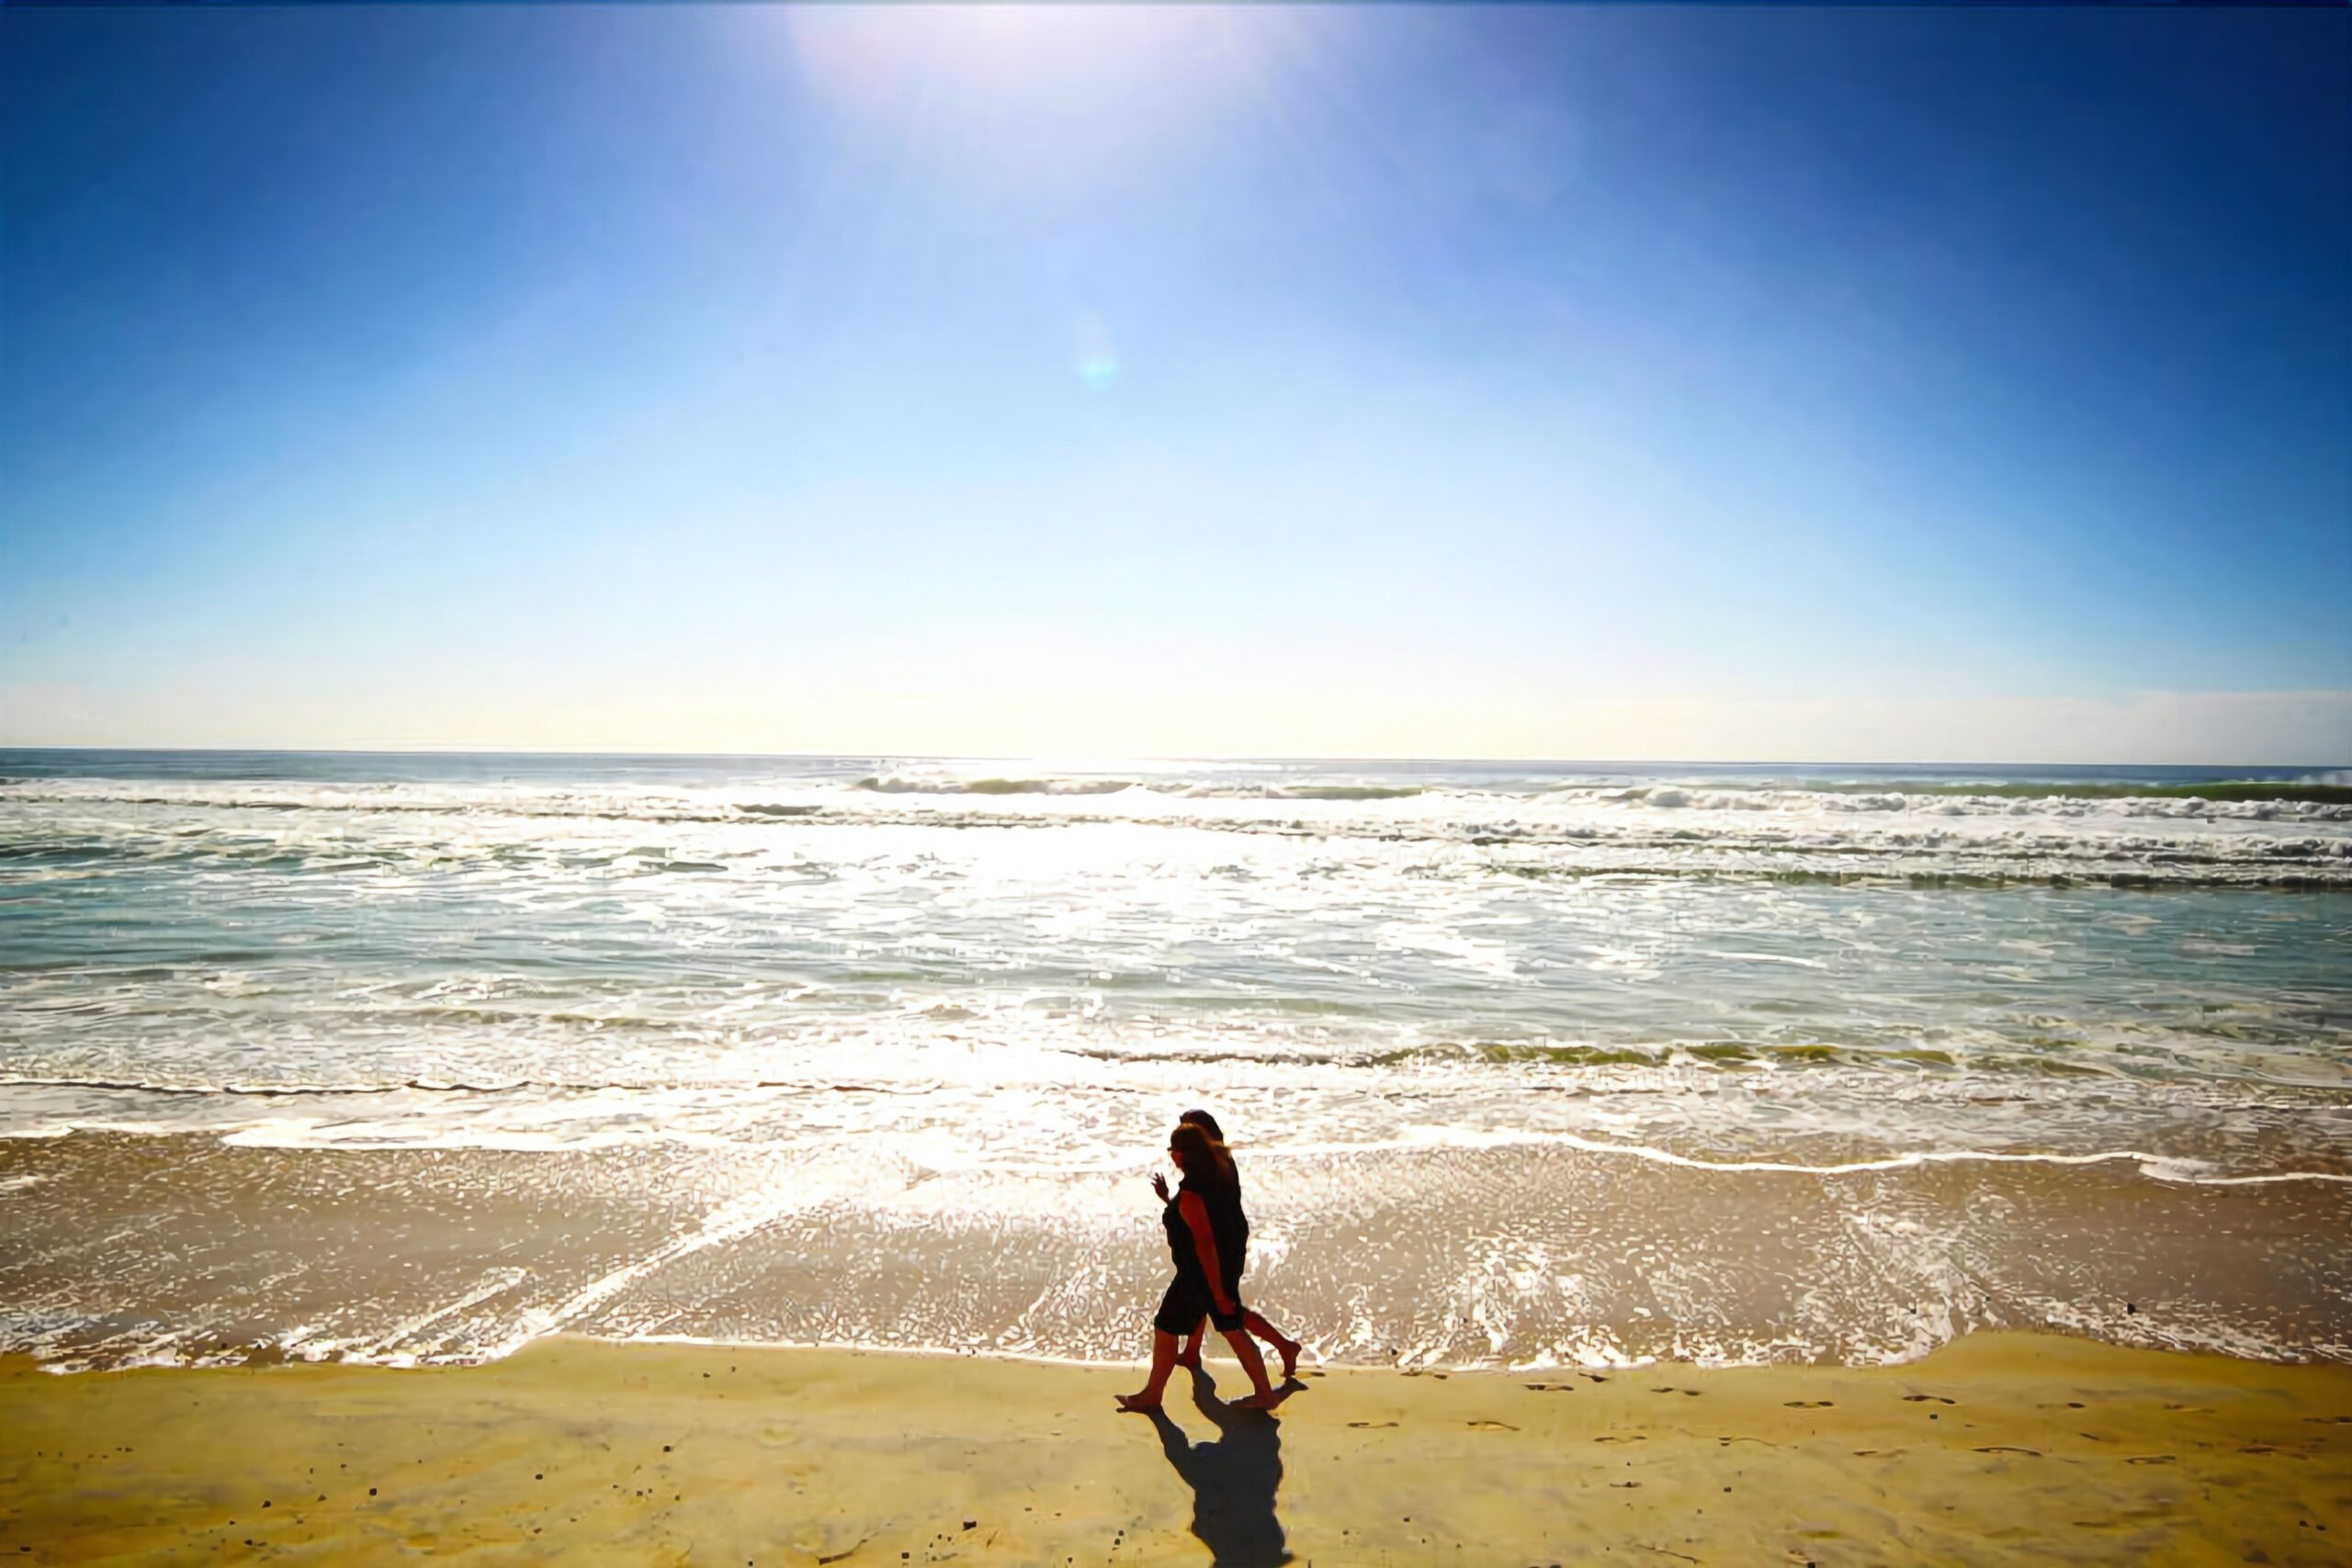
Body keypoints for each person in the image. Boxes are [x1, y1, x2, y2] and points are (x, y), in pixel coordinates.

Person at [1116, 1122, 1283, 1413]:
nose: (1171, 1155)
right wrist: (1168, 1199)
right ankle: (1265, 1394)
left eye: (1173, 1150)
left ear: (1182, 1154)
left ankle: (1152, 1395)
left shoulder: (1193, 1190)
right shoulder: (1216, 1174)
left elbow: (1203, 1241)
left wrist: (1217, 1291)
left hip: (1198, 1274)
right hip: (1221, 1265)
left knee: (1166, 1327)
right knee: (1232, 1329)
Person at [1171, 1110, 1303, 1380]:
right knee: (1206, 1296)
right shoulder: (1214, 1160)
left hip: (1224, 1241)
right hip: (1227, 1236)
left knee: (1226, 1305)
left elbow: (1208, 1208)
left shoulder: (1214, 1163)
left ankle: (1284, 1346)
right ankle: (1192, 1351)